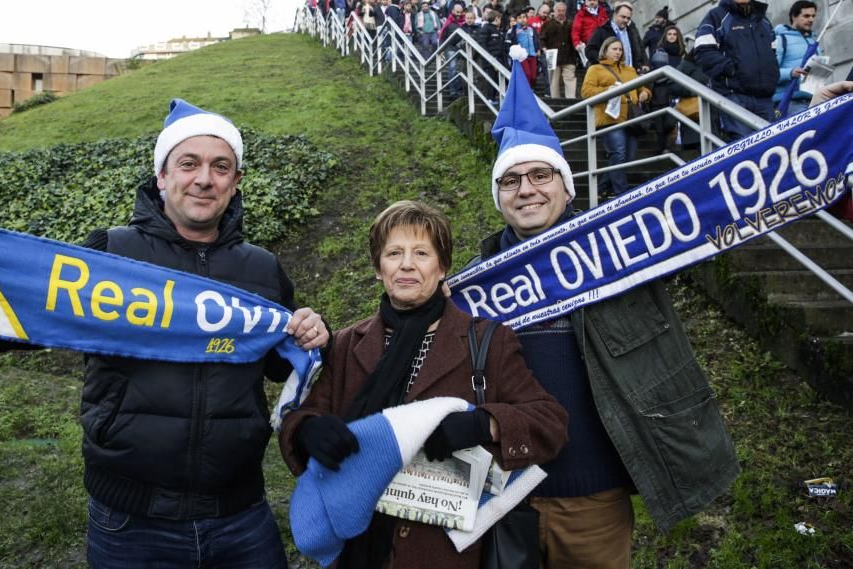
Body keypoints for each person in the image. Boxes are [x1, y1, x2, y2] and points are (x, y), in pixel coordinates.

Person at [0, 99, 332, 569]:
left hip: (241, 515)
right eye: (189, 164)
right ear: (162, 177)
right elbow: (13, 325)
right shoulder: (109, 256)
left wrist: (314, 332)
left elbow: (275, 361)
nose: (204, 178)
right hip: (130, 521)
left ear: (235, 182)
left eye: (220, 166)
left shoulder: (262, 268)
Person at [476, 55, 739, 568]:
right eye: (511, 181)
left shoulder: (623, 250)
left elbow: (725, 205)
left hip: (593, 497)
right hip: (503, 497)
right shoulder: (477, 280)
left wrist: (810, 131)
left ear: (566, 184)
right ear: (499, 196)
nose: (526, 189)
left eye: (540, 175)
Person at [278, 200, 568, 568]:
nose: (407, 264)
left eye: (421, 253)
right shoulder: (349, 343)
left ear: (442, 266)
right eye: (394, 253)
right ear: (378, 269)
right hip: (358, 545)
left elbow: (550, 421)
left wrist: (485, 423)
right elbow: (302, 414)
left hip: (445, 552)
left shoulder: (487, 341)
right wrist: (307, 430)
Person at [694, 0, 777, 139]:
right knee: (743, 149)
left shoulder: (764, 20)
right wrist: (732, 70)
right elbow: (703, 52)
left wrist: (773, 74)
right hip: (734, 96)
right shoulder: (716, 16)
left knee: (770, 147)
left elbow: (773, 52)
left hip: (765, 97)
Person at [582, 36, 651, 197]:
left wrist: (645, 94)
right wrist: (607, 90)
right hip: (609, 118)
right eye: (614, 49)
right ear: (605, 50)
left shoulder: (630, 70)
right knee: (618, 153)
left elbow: (643, 89)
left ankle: (602, 188)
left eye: (620, 49)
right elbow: (586, 92)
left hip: (631, 118)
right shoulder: (595, 69)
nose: (618, 52)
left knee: (628, 156)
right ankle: (622, 193)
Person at [774, 1, 820, 116]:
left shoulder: (814, 41)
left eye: (813, 16)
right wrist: (790, 73)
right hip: (789, 102)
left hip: (814, 100)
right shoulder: (781, 40)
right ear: (794, 16)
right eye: (806, 16)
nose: (811, 20)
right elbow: (769, 73)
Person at [649, 25, 686, 153]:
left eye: (674, 34)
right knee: (660, 122)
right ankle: (661, 147)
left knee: (671, 122)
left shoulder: (682, 54)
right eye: (669, 34)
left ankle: (670, 146)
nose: (671, 36)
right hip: (659, 91)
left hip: (675, 91)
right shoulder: (659, 51)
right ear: (665, 36)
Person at [586, 2, 647, 72]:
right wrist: (605, 62)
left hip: (631, 74)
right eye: (623, 17)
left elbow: (640, 49)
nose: (626, 20)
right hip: (611, 74)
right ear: (615, 14)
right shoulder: (602, 31)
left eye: (628, 18)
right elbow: (590, 50)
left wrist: (644, 64)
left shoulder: (631, 32)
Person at [540, 1, 578, 99]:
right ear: (554, 11)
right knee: (554, 81)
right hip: (553, 57)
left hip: (569, 56)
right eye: (559, 10)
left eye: (563, 10)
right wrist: (544, 49)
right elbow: (541, 39)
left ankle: (571, 101)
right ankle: (555, 100)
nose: (561, 12)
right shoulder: (547, 24)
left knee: (570, 79)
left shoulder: (571, 24)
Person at [478, 9, 507, 102]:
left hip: (499, 59)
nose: (501, 21)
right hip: (490, 60)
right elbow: (482, 43)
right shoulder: (486, 28)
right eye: (500, 19)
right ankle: (490, 98)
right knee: (491, 79)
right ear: (496, 18)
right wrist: (489, 57)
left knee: (498, 79)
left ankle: (494, 97)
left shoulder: (497, 30)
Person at [441, 3, 468, 98]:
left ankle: (460, 90)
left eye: (461, 12)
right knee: (452, 68)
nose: (459, 14)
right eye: (457, 12)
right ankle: (453, 90)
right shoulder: (448, 22)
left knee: (461, 70)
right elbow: (442, 36)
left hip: (463, 49)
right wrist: (441, 50)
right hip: (451, 48)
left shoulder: (465, 22)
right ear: (452, 11)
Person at [571, 0, 609, 66]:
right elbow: (576, 30)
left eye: (594, 0)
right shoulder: (580, 15)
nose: (592, 2)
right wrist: (576, 43)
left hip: (604, 45)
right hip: (589, 46)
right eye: (589, 0)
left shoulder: (603, 12)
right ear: (585, 2)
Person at [512, 9, 539, 87]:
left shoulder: (531, 28)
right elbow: (512, 40)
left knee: (533, 76)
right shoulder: (515, 29)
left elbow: (536, 39)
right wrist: (514, 28)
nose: (522, 19)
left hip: (532, 54)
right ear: (516, 19)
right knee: (527, 74)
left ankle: (530, 90)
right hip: (523, 56)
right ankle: (526, 91)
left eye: (524, 17)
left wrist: (537, 48)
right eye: (520, 17)